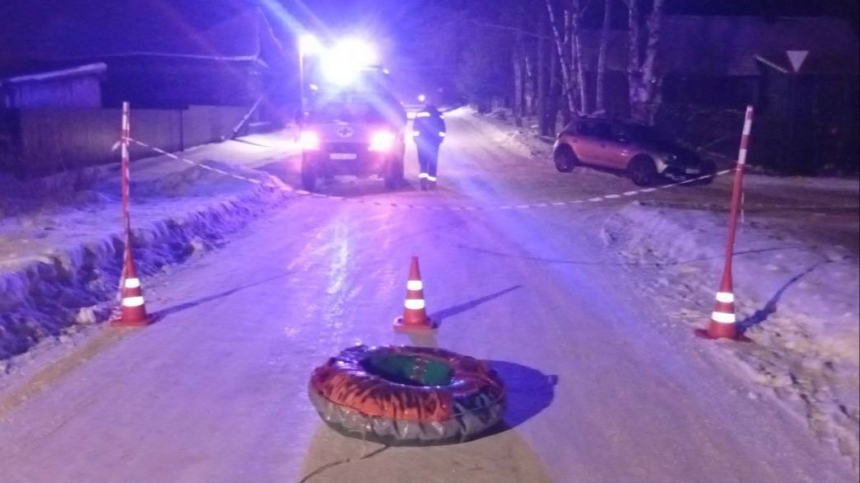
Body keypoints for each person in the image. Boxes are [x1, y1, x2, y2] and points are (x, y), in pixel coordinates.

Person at [412, 103, 447, 190]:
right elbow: (442, 128)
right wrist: (440, 139)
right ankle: (432, 184)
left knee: (423, 163)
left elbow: (415, 128)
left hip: (422, 142)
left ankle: (423, 184)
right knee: (433, 163)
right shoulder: (439, 115)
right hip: (434, 142)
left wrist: (416, 140)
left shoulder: (419, 114)